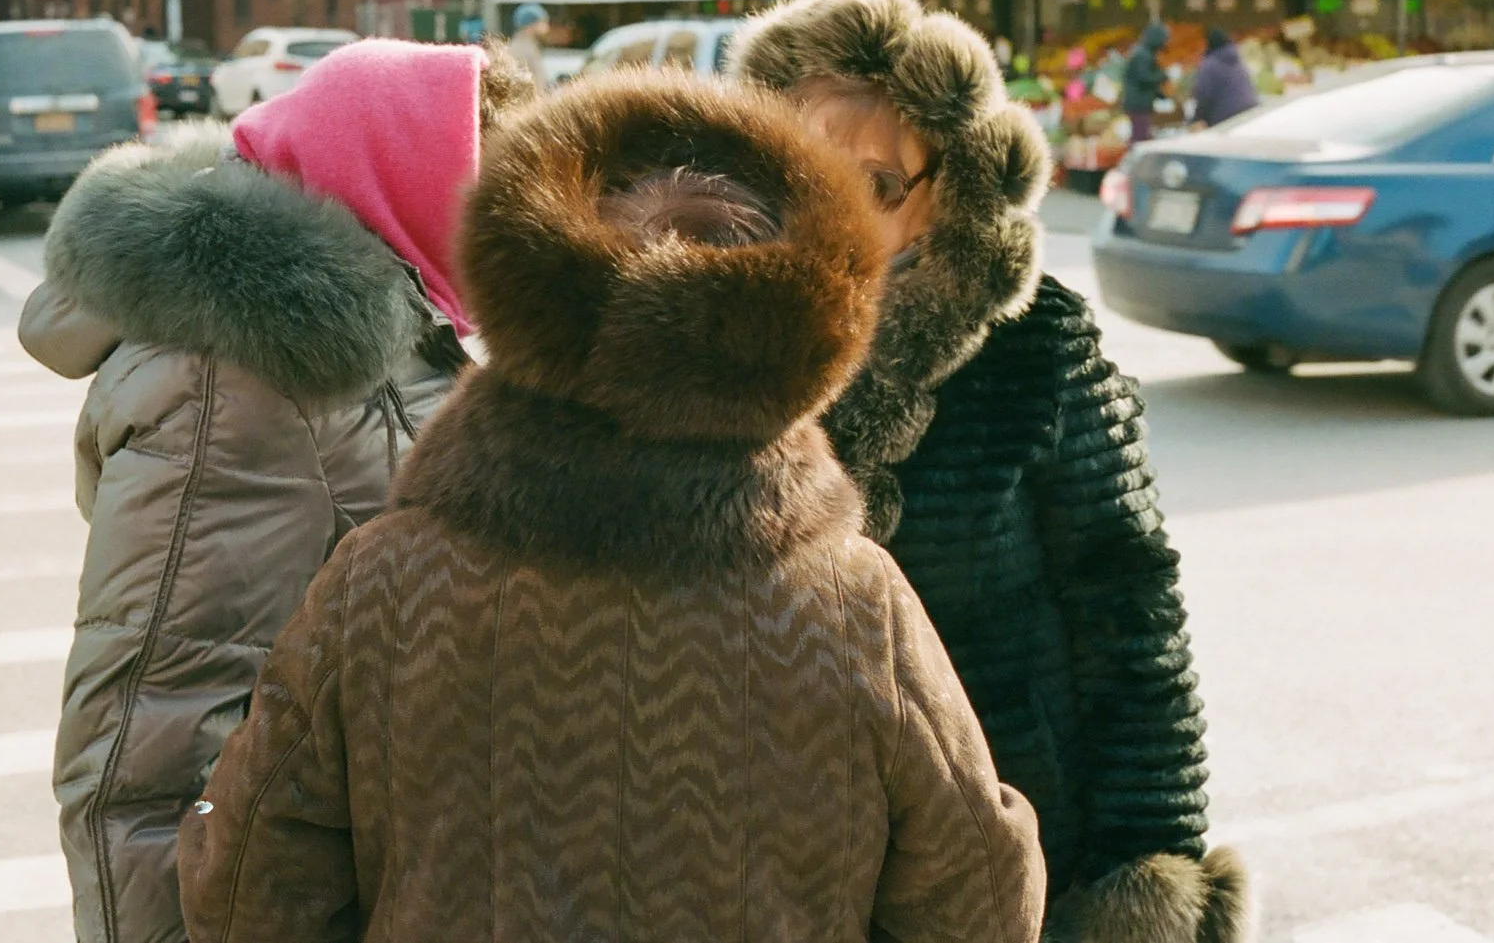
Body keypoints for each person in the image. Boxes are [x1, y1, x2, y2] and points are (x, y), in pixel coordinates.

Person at [178, 75, 1048, 943]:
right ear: (811, 321)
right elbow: (980, 900)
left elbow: (247, 884)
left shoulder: (386, 581)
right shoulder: (856, 604)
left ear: (527, 284)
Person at [737, 0, 1250, 943]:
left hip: (1012, 829)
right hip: (789, 852)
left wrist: (1144, 856)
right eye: (805, 168)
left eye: (878, 181)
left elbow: (1127, 595)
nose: (838, 205)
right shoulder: (721, 344)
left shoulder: (1030, 340)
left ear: (944, 192)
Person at [19, 38, 531, 943]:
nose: (523, 230)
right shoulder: (240, 381)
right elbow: (142, 748)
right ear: (403, 183)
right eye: (496, 193)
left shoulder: (395, 327)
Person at [1191, 26, 1260, 127]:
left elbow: (1204, 95)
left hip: (1226, 120)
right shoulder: (1239, 61)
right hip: (1251, 113)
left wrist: (1196, 119)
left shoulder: (1210, 65)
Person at [1124, 17, 1171, 145]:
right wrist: (1163, 75)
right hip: (1138, 104)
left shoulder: (1144, 53)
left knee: (1141, 134)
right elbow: (1144, 77)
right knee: (1140, 138)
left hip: (1140, 102)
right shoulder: (1142, 55)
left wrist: (1161, 95)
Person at [505, 1, 552, 89]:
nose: (546, 25)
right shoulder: (521, 48)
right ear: (531, 24)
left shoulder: (529, 44)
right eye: (543, 21)